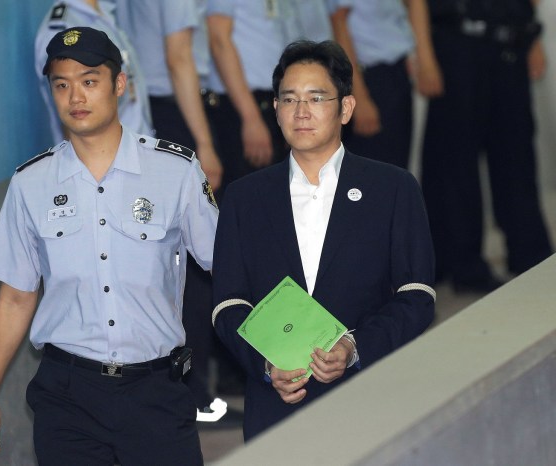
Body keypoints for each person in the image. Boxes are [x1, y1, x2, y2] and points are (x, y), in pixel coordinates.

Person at [0, 27, 217, 465]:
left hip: (155, 391)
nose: (75, 97)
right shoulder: (32, 183)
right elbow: (15, 297)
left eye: (89, 81)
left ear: (119, 85)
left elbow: (227, 264)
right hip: (68, 395)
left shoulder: (175, 171)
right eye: (61, 85)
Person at [211, 39, 436, 440]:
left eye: (316, 98)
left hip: (369, 398)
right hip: (277, 405)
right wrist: (265, 364)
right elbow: (227, 302)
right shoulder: (244, 196)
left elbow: (417, 295)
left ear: (345, 108)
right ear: (276, 108)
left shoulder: (393, 188)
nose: (301, 112)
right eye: (289, 99)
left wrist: (354, 347)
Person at [114, 0, 228, 424]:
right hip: (176, 112)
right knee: (195, 267)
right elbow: (179, 57)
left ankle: (187, 392)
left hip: (156, 115)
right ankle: (193, 396)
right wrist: (205, 143)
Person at [422, 0, 552, 291]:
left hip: (510, 44)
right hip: (458, 45)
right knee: (456, 162)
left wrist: (533, 39)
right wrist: (425, 55)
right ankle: (464, 265)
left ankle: (529, 253)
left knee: (517, 153)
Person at [330, 0, 443, 169]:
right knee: (369, 177)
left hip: (395, 71)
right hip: (366, 76)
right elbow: (338, 21)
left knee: (395, 172)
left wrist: (423, 59)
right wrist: (358, 97)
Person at [204, 0, 294, 192]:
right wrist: (251, 118)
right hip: (243, 105)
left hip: (274, 99)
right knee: (252, 202)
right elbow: (218, 38)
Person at [35, 0, 152, 145]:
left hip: (136, 148)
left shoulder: (104, 10)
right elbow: (71, 120)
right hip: (105, 160)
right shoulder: (65, 27)